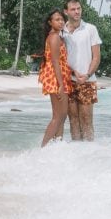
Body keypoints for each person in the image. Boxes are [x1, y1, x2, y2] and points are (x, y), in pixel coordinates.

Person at [62, 0, 102, 141]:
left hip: (87, 81)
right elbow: (59, 59)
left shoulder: (90, 29)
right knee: (73, 119)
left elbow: (96, 57)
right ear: (66, 11)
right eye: (73, 9)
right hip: (68, 81)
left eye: (79, 8)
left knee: (86, 120)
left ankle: (89, 152)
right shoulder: (62, 31)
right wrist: (72, 73)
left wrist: (87, 74)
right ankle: (77, 152)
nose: (77, 12)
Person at [37, 9, 72, 147]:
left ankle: (57, 146)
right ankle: (43, 147)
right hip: (56, 79)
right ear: (50, 22)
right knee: (58, 117)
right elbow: (55, 62)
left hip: (59, 77)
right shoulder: (55, 37)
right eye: (57, 19)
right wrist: (61, 84)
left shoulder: (56, 36)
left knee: (61, 116)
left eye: (62, 19)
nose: (61, 21)